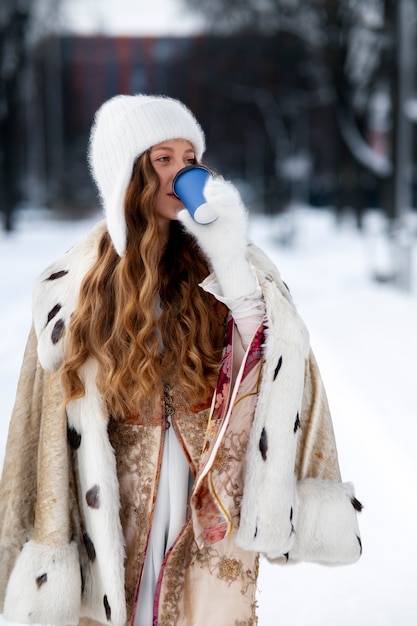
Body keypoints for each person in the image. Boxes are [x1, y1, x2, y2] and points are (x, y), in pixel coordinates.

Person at [0, 94, 362, 626]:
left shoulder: (233, 260)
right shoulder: (74, 286)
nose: (180, 172)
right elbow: (43, 425)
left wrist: (230, 260)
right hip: (117, 491)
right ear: (127, 172)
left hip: (210, 486)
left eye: (189, 158)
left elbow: (276, 356)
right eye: (162, 158)